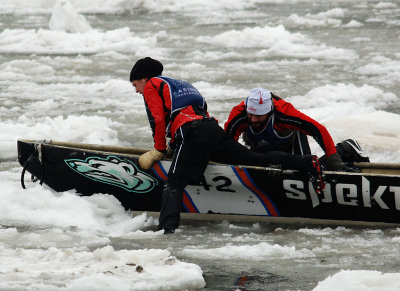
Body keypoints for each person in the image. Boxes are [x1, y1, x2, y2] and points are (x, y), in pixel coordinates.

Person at [130, 57, 325, 234]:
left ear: (144, 78)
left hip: (192, 132)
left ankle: (166, 230)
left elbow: (158, 120)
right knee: (252, 159)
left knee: (174, 183)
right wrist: (177, 146)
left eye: (135, 84)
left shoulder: (152, 85)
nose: (136, 90)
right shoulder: (181, 84)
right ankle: (306, 162)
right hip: (211, 130)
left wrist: (159, 150)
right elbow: (200, 108)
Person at [224, 87, 369, 171]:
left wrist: (335, 163)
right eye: (251, 114)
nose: (254, 119)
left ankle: (345, 149)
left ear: (269, 111)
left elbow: (318, 130)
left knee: (304, 170)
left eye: (259, 116)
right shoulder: (239, 114)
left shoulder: (285, 113)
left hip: (290, 143)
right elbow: (228, 143)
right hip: (262, 148)